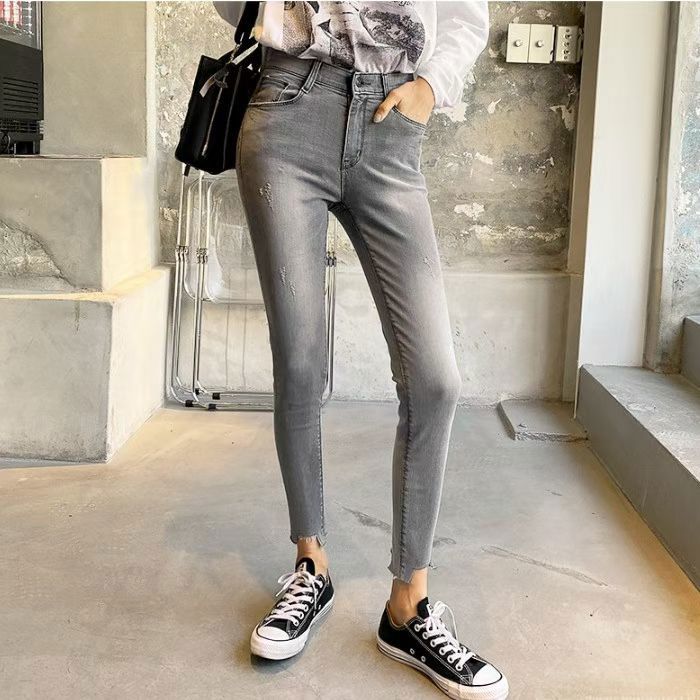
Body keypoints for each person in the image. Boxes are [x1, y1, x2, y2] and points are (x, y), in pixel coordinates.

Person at [213, 2, 507, 698]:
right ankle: (309, 565)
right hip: (289, 107)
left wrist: (431, 85)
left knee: (434, 380)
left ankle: (407, 607)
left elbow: (467, 13)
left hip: (391, 123)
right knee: (299, 362)